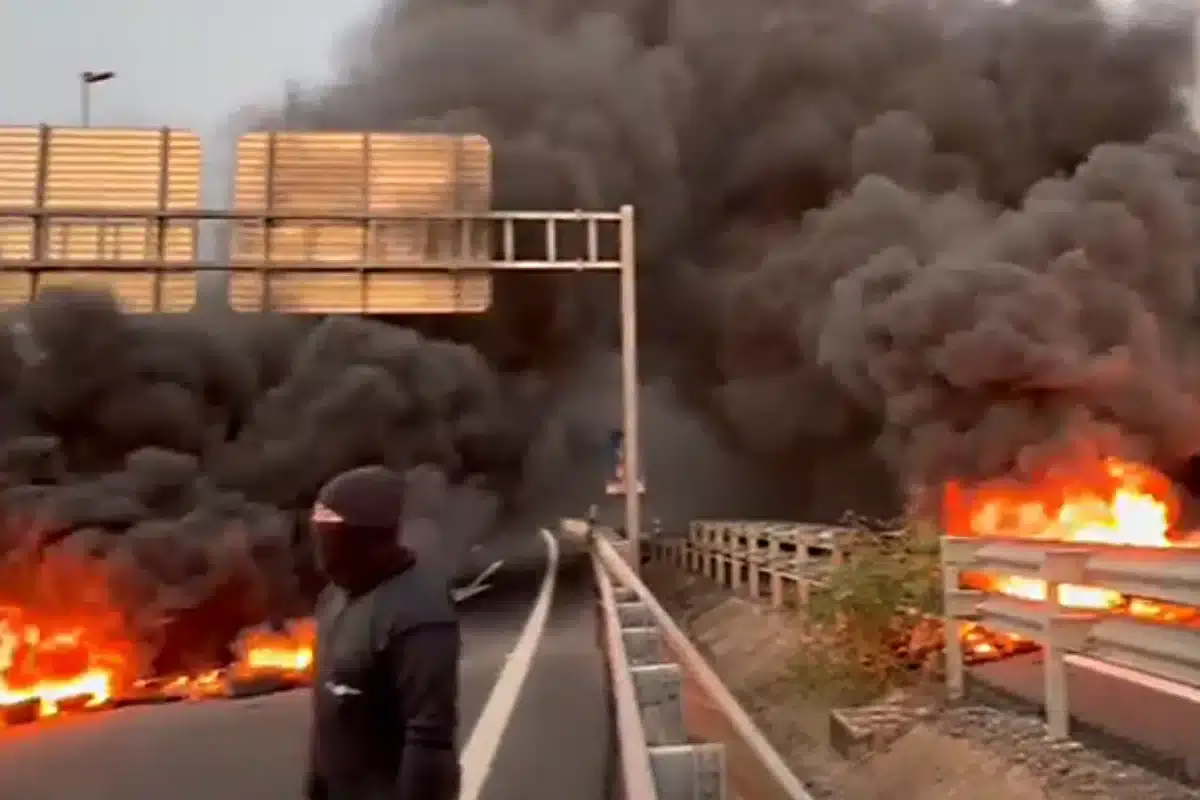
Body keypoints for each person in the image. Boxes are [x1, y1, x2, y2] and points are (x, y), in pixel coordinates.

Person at [304, 465, 461, 800]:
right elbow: (328, 725)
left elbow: (428, 744)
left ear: (366, 535)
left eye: (330, 527)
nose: (320, 539)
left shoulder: (419, 615)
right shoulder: (333, 601)